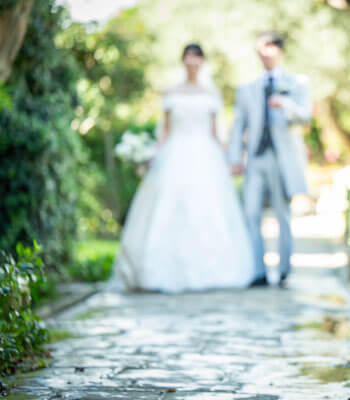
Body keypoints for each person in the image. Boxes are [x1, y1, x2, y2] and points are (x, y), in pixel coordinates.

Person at [110, 44, 254, 293]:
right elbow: (164, 130)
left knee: (207, 208)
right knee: (167, 207)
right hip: (174, 153)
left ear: (202, 61)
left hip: (205, 156)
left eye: (197, 56)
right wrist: (152, 155)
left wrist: (228, 160)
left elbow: (215, 133)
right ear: (183, 60)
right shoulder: (171, 92)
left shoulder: (212, 94)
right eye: (189, 56)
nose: (192, 61)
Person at [228, 31, 312, 287]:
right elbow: (237, 125)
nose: (264, 54)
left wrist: (285, 105)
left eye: (268, 48)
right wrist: (234, 158)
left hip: (282, 160)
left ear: (279, 50)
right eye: (260, 50)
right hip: (255, 159)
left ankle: (285, 270)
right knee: (251, 213)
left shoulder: (297, 83)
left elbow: (305, 116)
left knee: (281, 214)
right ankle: (258, 271)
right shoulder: (247, 89)